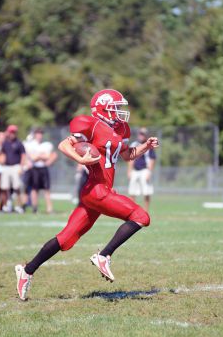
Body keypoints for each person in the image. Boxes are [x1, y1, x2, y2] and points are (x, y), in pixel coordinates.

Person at [15, 88, 159, 301]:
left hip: (98, 192)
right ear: (102, 109)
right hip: (96, 191)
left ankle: (26, 271)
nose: (119, 111)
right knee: (141, 217)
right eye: (115, 108)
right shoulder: (91, 125)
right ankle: (104, 255)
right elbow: (64, 145)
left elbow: (127, 155)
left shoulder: (120, 128)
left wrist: (145, 146)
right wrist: (80, 159)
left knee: (66, 238)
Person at [26, 128, 58, 213]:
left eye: (41, 134)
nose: (39, 135)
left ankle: (49, 208)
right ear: (35, 135)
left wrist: (46, 159)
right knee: (34, 189)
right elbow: (32, 157)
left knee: (46, 189)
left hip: (43, 168)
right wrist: (42, 156)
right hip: (34, 169)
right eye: (38, 133)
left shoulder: (47, 145)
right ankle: (34, 208)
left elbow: (52, 155)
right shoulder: (30, 145)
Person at [128, 128, 157, 212]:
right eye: (140, 133)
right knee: (132, 191)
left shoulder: (149, 145)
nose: (141, 135)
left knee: (146, 192)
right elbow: (131, 158)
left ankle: (146, 211)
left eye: (143, 134)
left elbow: (152, 159)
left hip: (145, 170)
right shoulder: (134, 144)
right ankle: (132, 211)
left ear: (146, 135)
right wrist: (129, 171)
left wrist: (149, 172)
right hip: (135, 170)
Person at [0, 125, 26, 213]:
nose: (12, 134)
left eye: (14, 132)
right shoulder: (5, 143)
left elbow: (23, 155)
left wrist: (21, 167)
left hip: (16, 166)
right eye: (11, 132)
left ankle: (19, 206)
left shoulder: (19, 143)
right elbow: (2, 154)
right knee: (4, 187)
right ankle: (5, 206)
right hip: (6, 167)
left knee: (17, 187)